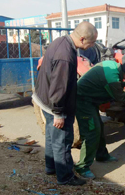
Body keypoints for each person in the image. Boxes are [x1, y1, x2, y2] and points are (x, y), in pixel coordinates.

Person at [32, 21, 97, 186]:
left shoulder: (60, 41)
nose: (93, 45)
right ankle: (65, 176)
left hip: (44, 99)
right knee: (62, 140)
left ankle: (51, 167)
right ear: (82, 39)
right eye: (91, 42)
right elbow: (59, 87)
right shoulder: (66, 56)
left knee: (50, 134)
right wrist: (59, 113)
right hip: (54, 103)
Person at [74, 60, 125, 179]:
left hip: (90, 99)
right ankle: (82, 167)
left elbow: (106, 82)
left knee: (99, 127)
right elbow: (121, 98)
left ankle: (102, 155)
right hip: (82, 101)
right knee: (92, 131)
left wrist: (124, 85)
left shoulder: (113, 65)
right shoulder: (113, 77)